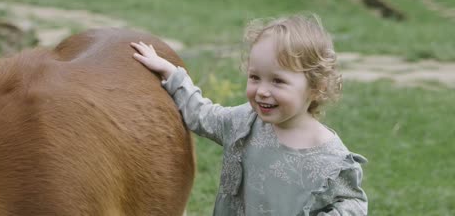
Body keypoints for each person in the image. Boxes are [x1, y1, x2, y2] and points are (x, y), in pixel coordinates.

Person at [130, 14, 368, 216]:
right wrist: (172, 74)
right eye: (255, 77)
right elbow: (202, 114)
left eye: (278, 81)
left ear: (317, 87)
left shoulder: (331, 159)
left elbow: (354, 204)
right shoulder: (244, 123)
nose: (262, 91)